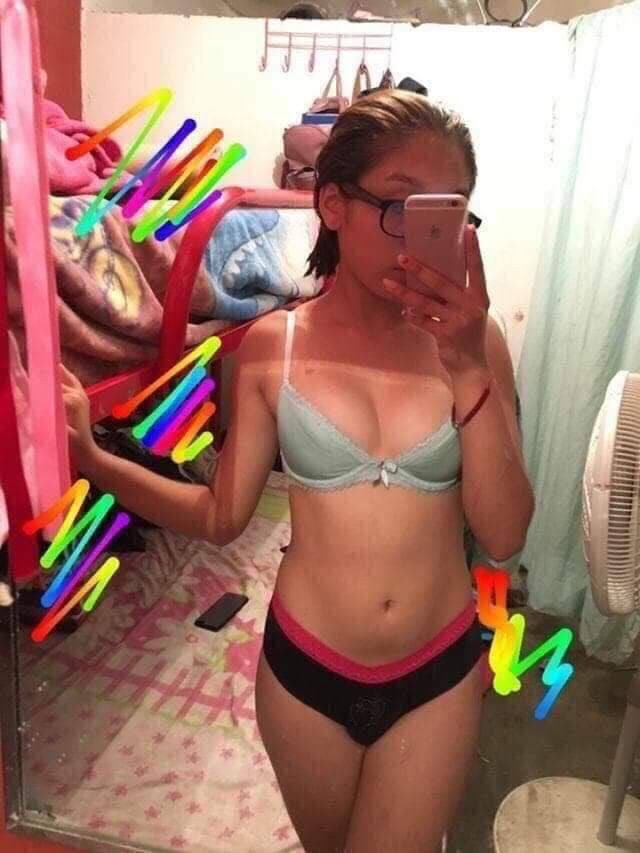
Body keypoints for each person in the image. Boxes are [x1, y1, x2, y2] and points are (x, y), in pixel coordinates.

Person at [61, 90, 534, 853]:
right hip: (305, 676)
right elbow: (220, 516)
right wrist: (93, 458)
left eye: (445, 212)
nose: (421, 238)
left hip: (436, 672)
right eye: (400, 206)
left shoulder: (477, 346)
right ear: (333, 203)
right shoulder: (271, 348)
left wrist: (468, 367)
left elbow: (505, 532)